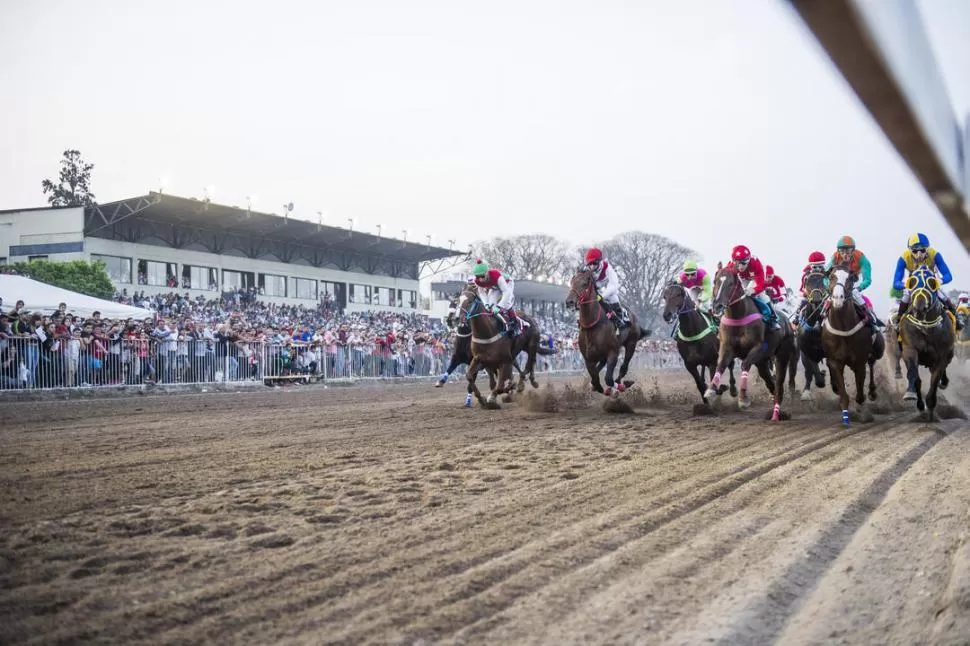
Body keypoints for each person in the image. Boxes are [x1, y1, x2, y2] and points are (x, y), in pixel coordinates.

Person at [892, 232, 962, 329]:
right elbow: (895, 283)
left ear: (927, 249)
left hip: (930, 282)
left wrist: (940, 281)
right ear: (909, 250)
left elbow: (948, 275)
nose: (919, 254)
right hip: (914, 284)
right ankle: (899, 321)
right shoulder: (903, 257)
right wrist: (906, 284)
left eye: (922, 250)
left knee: (942, 294)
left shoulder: (934, 254)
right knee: (906, 296)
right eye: (915, 251)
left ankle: (956, 317)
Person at [826, 235, 883, 328]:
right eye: (842, 251)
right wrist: (829, 287)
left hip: (854, 278)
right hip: (840, 280)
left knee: (856, 294)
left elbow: (867, 279)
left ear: (853, 250)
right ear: (838, 251)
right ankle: (821, 317)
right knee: (829, 296)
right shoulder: (835, 257)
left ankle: (871, 319)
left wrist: (859, 288)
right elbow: (825, 275)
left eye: (848, 251)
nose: (845, 255)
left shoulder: (861, 258)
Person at [728, 244, 780, 329]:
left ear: (748, 260)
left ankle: (772, 318)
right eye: (737, 263)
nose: (740, 267)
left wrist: (754, 290)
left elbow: (761, 284)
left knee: (761, 295)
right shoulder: (730, 265)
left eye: (743, 263)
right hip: (742, 278)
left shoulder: (756, 264)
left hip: (755, 279)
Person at [472, 259, 521, 336]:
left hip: (507, 282)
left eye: (482, 276)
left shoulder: (495, 274)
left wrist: (499, 306)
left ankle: (514, 324)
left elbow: (506, 292)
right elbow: (481, 293)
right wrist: (486, 304)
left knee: (507, 303)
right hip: (494, 287)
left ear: (487, 272)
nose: (480, 279)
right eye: (477, 276)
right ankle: (497, 324)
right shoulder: (477, 281)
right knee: (491, 306)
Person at [584, 247, 629, 329]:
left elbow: (614, 285)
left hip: (607, 288)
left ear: (599, 262)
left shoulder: (608, 268)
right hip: (595, 289)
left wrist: (602, 295)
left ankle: (620, 319)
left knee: (613, 298)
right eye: (590, 264)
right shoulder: (585, 270)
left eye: (594, 263)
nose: (592, 266)